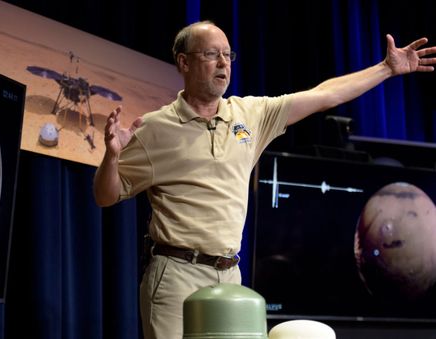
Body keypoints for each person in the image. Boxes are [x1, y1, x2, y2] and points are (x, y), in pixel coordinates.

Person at [93, 20, 436, 339]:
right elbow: (106, 196)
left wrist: (386, 69)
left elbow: (324, 94)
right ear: (183, 62)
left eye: (228, 55)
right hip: (177, 274)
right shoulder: (155, 128)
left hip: (230, 276)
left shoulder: (250, 115)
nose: (223, 63)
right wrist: (112, 156)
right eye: (211, 54)